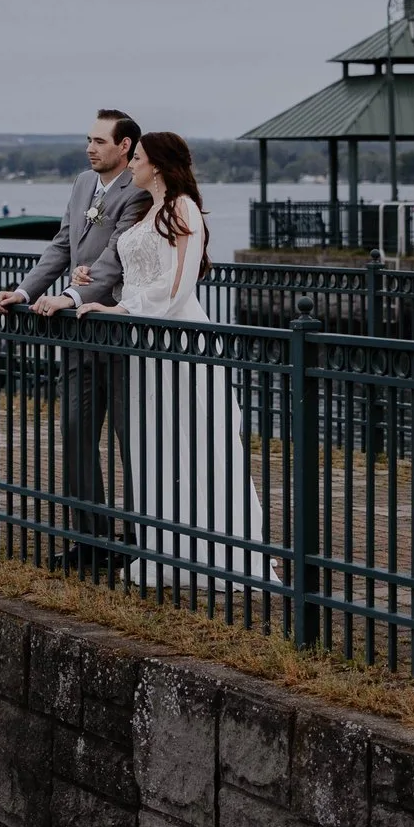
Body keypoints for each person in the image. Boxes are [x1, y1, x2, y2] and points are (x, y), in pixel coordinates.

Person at [74, 132, 267, 590]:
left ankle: (211, 551)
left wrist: (120, 309)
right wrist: (93, 281)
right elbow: (137, 272)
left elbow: (176, 287)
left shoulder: (181, 208)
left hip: (178, 338)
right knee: (154, 446)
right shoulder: (146, 211)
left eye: (136, 158)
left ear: (156, 165)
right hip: (146, 339)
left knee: (192, 442)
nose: (132, 165)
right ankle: (164, 551)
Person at [0, 111, 151, 572]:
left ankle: (140, 539)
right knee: (76, 433)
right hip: (78, 337)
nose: (90, 148)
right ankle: (92, 539)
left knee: (129, 438)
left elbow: (114, 260)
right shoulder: (83, 183)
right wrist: (25, 291)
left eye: (100, 141)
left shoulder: (139, 189)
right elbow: (62, 245)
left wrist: (70, 295)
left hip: (118, 333)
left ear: (125, 147)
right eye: (88, 139)